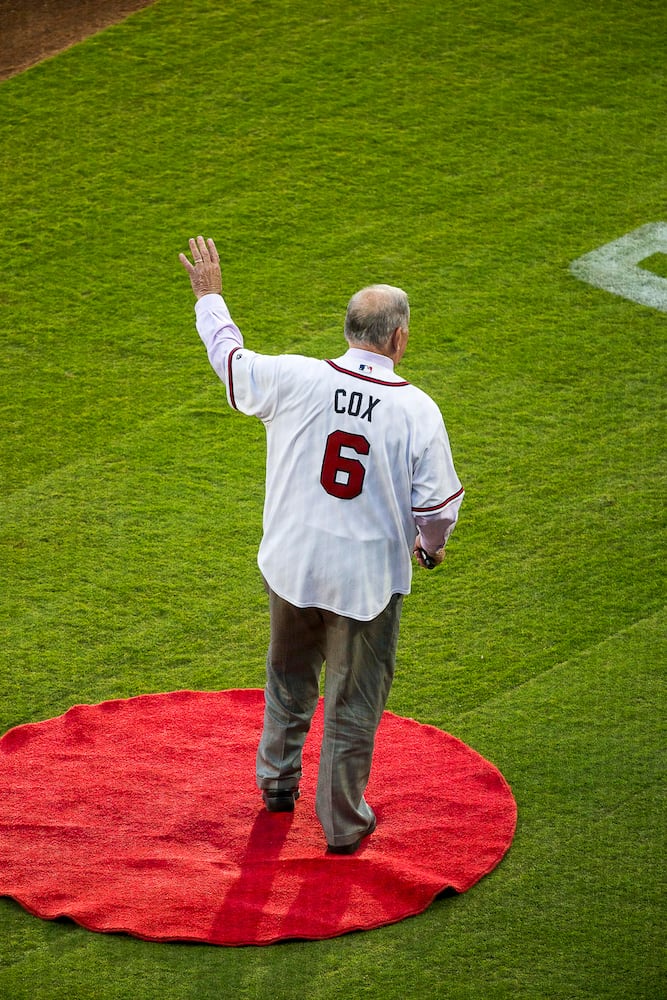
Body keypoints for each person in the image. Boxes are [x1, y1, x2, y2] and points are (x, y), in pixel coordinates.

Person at [179, 236, 464, 854]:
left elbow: (231, 362)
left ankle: (277, 786)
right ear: (398, 339)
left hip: (292, 565)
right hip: (364, 585)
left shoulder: (293, 377)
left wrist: (211, 299)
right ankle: (341, 825)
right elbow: (438, 508)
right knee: (353, 701)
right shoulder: (416, 410)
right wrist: (429, 546)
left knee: (287, 677)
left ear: (350, 329)